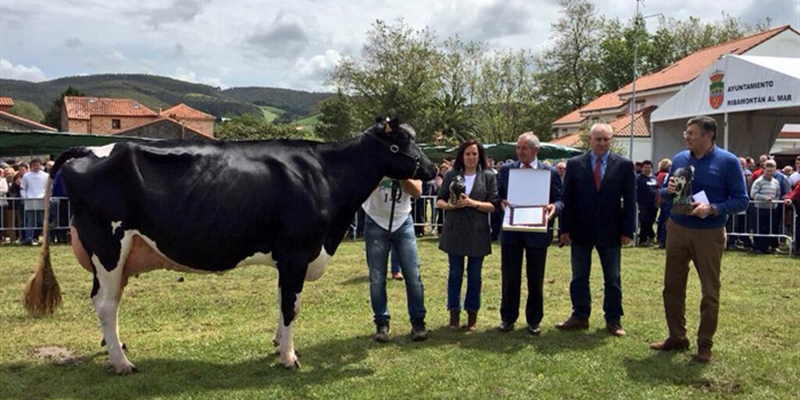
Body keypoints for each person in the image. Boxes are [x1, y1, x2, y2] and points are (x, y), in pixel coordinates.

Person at [651, 115, 749, 363]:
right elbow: (665, 194)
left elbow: (742, 200)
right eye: (686, 133)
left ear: (709, 136)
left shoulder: (728, 162)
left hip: (709, 233)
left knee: (709, 290)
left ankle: (704, 344)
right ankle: (676, 336)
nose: (687, 137)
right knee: (672, 287)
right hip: (678, 227)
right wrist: (668, 190)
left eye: (691, 133)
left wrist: (713, 208)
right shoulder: (679, 159)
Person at [557, 123, 635, 337]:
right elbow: (568, 199)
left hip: (611, 231)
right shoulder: (574, 164)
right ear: (589, 140)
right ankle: (580, 315)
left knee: (612, 278)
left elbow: (630, 201)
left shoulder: (624, 165)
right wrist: (564, 229)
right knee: (579, 276)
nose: (602, 143)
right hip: (580, 230)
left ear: (611, 141)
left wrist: (628, 230)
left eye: (606, 139)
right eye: (598, 139)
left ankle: (613, 319)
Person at [496, 132, 563, 336]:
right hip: (512, 232)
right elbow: (497, 195)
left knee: (535, 277)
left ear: (536, 150)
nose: (520, 152)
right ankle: (508, 318)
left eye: (524, 148)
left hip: (537, 232)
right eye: (518, 148)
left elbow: (560, 200)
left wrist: (554, 207)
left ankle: (534, 320)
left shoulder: (549, 172)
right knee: (510, 277)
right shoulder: (507, 170)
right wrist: (501, 202)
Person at [436, 140, 500, 331]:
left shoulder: (488, 176)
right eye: (467, 154)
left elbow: (493, 205)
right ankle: (453, 314)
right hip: (454, 230)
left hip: (477, 233)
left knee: (475, 275)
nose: (471, 157)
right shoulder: (452, 175)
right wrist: (450, 206)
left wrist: (474, 203)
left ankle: (472, 315)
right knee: (454, 274)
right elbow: (439, 200)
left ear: (480, 156)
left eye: (474, 154)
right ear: (461, 157)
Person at [363, 177, 428, 342]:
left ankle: (418, 322)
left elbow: (418, 191)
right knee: (377, 277)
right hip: (375, 221)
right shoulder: (374, 160)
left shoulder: (407, 161)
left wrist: (402, 176)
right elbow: (361, 190)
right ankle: (381, 323)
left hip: (402, 221)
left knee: (413, 275)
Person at [750, 159, 782, 254]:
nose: (769, 173)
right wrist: (764, 198)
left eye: (771, 171)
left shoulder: (776, 182)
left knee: (768, 229)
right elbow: (753, 194)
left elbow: (778, 194)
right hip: (760, 208)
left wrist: (775, 202)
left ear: (775, 170)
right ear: (764, 170)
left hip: (771, 209)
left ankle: (766, 247)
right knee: (759, 229)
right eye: (767, 171)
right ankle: (758, 248)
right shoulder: (758, 181)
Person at [20, 159, 49, 245]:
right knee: (30, 221)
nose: (36, 167)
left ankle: (38, 237)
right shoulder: (26, 176)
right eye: (34, 165)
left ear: (40, 165)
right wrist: (25, 197)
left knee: (41, 221)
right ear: (31, 166)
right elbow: (23, 188)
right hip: (30, 200)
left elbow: (49, 188)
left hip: (42, 200)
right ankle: (29, 238)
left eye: (37, 165)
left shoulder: (46, 175)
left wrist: (46, 196)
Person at [635, 160, 658, 246]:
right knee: (644, 221)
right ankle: (643, 239)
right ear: (642, 168)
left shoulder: (654, 178)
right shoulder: (638, 178)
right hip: (642, 204)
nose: (647, 169)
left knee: (651, 221)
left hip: (653, 204)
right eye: (645, 167)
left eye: (649, 167)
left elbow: (657, 188)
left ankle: (650, 236)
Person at [655, 158, 672, 249]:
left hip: (661, 200)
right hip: (666, 201)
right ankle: (663, 240)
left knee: (661, 221)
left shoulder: (657, 175)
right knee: (666, 221)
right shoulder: (666, 175)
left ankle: (660, 239)